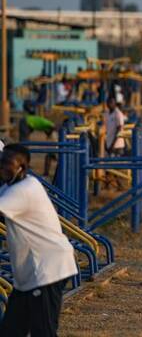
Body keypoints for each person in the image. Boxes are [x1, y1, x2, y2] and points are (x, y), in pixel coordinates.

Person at [0, 144, 78, 336]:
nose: (2, 166)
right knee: (11, 330)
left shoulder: (24, 190)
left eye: (8, 163)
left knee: (43, 331)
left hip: (46, 270)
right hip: (29, 275)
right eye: (1, 161)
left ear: (23, 167)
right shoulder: (9, 187)